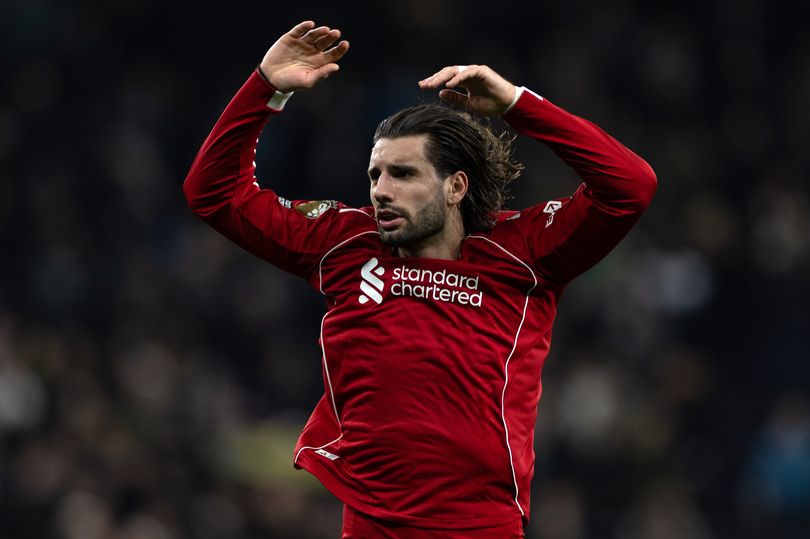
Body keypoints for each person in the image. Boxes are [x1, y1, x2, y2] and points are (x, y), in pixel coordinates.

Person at [183, 20, 656, 539]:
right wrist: (265, 88)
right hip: (372, 524)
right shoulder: (344, 241)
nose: (382, 190)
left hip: (482, 526)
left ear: (455, 186)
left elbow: (629, 187)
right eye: (375, 175)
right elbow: (214, 193)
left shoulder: (524, 252)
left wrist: (518, 104)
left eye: (403, 174)